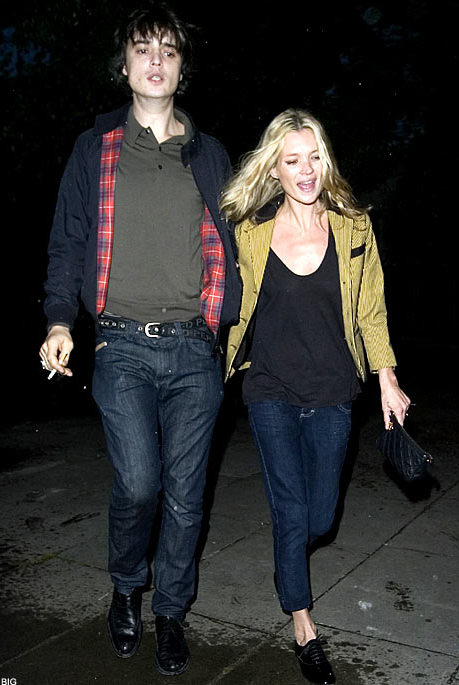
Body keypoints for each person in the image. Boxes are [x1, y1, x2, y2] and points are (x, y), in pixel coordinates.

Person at [39, 3, 241, 676]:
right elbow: (68, 239)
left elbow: (240, 242)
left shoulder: (209, 154)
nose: (156, 60)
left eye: (169, 51)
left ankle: (171, 612)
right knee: (139, 484)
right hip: (120, 345)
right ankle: (128, 585)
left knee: (187, 495)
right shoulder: (94, 148)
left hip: (193, 348)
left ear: (182, 69)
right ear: (124, 65)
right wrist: (59, 320)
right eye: (143, 49)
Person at [221, 109, 410, 684]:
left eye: (314, 158)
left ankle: (288, 560)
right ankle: (303, 625)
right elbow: (221, 292)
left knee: (321, 516)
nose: (305, 171)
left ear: (325, 162)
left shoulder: (353, 226)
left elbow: (371, 308)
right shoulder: (249, 231)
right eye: (292, 160)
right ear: (274, 170)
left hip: (332, 390)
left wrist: (386, 376)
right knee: (292, 507)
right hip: (269, 388)